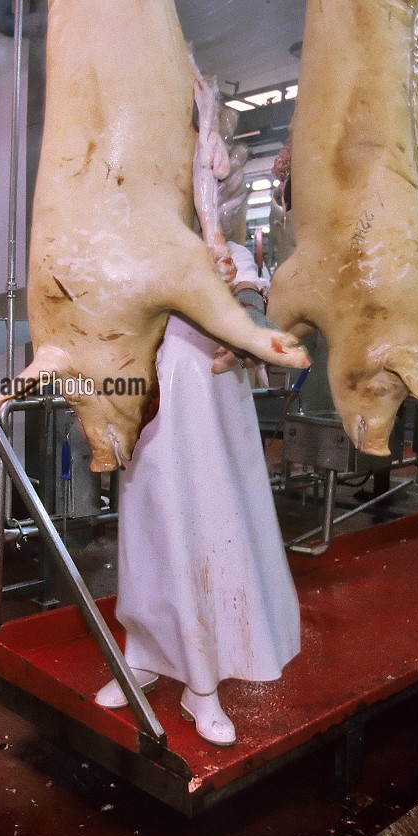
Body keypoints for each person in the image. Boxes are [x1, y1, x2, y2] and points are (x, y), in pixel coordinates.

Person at [95, 242, 301, 746]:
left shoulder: (224, 252)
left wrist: (249, 324)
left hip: (212, 400)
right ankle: (142, 655)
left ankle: (201, 683)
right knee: (150, 531)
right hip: (153, 400)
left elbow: (253, 294)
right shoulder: (137, 237)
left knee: (213, 529)